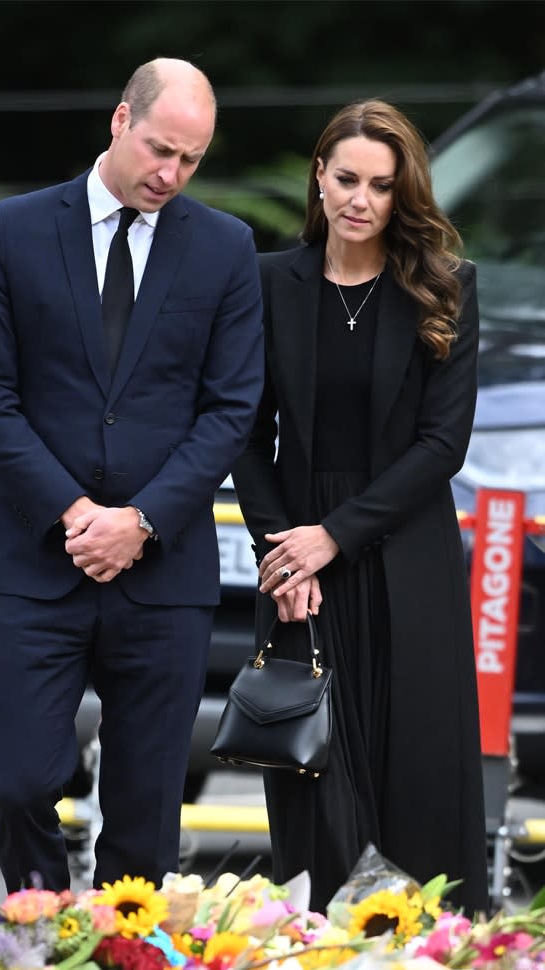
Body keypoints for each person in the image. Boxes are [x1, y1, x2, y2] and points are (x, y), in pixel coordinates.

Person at [0, 57, 263, 894]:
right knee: (18, 785)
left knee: (146, 815)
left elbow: (231, 410)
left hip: (164, 573)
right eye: (161, 148)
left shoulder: (227, 249)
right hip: (37, 564)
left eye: (191, 159)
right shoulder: (14, 230)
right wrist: (74, 513)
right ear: (120, 121)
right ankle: (49, 939)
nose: (171, 173)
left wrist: (142, 521)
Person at [232, 98, 489, 916]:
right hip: (298, 571)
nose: (360, 199)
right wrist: (285, 556)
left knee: (417, 786)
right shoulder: (269, 283)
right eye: (347, 178)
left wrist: (332, 537)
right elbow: (246, 435)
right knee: (315, 791)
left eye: (381, 185)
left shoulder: (444, 288)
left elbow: (440, 446)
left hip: (406, 559)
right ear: (319, 175)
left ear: (401, 193)